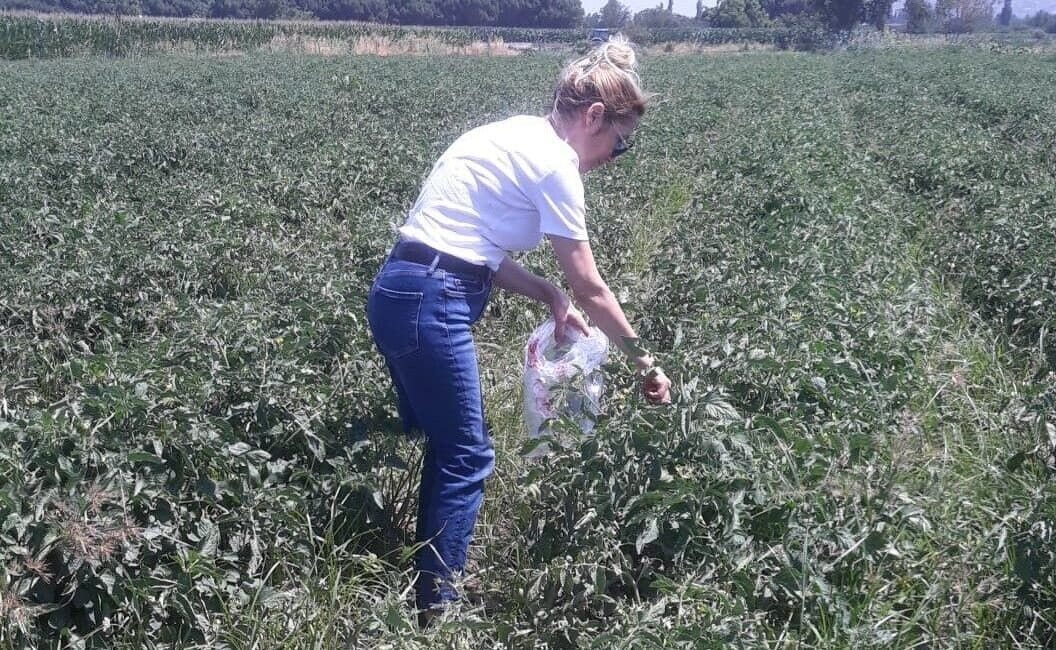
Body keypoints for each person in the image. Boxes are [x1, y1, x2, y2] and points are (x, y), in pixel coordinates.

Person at [365, 36, 672, 618]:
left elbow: (472, 247)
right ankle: (437, 611)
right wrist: (644, 362)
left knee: (450, 445)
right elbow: (593, 286)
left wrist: (546, 293)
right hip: (433, 300)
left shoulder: (508, 134)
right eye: (620, 144)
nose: (615, 157)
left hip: (400, 290)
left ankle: (426, 582)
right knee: (470, 453)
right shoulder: (556, 164)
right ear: (595, 117)